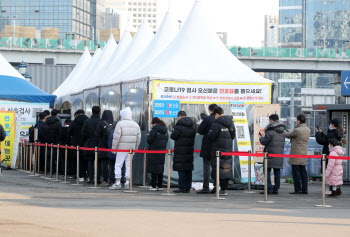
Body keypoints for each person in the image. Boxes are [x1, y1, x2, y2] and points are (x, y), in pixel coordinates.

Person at [110, 107, 141, 190]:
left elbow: (116, 138)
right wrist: (135, 149)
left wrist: (114, 149)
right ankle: (127, 182)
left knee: (118, 165)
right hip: (131, 149)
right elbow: (138, 138)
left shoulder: (120, 124)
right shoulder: (136, 124)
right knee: (128, 165)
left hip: (121, 148)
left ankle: (117, 182)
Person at [207, 107, 235, 196]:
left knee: (217, 168)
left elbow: (211, 136)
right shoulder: (230, 123)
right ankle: (224, 189)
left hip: (218, 149)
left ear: (216, 114)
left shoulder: (216, 124)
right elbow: (233, 136)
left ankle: (219, 188)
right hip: (228, 149)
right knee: (225, 168)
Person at [259, 114, 285, 195]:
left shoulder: (270, 131)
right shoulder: (283, 131)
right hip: (279, 154)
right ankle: (276, 189)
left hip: (269, 154)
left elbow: (264, 142)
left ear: (271, 120)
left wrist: (261, 138)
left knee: (267, 172)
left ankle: (268, 189)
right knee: (277, 171)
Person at [171, 111, 196, 193]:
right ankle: (188, 187)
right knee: (188, 169)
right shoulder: (192, 125)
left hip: (180, 150)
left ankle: (182, 187)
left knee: (181, 169)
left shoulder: (179, 125)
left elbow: (173, 136)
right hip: (189, 150)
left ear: (179, 116)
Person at [285, 114, 311, 195]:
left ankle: (298, 189)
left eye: (297, 120)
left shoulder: (297, 130)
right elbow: (296, 136)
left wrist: (284, 130)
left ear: (299, 121)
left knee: (296, 173)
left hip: (296, 154)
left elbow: (287, 135)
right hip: (303, 154)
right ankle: (305, 189)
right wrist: (291, 132)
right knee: (303, 172)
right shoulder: (308, 130)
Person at [197, 104, 218, 194]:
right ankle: (216, 187)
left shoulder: (207, 119)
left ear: (210, 110)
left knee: (207, 167)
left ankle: (206, 187)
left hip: (207, 145)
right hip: (217, 146)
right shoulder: (220, 120)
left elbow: (200, 131)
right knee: (216, 167)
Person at [146, 117, 168, 191]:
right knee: (160, 169)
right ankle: (160, 185)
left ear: (154, 123)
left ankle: (153, 186)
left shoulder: (154, 130)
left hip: (154, 151)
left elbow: (149, 140)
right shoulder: (165, 131)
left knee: (154, 169)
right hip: (162, 152)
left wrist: (148, 136)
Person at [81, 106, 101, 184]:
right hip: (99, 144)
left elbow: (83, 133)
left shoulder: (87, 121)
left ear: (92, 112)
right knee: (98, 162)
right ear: (100, 112)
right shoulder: (101, 121)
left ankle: (91, 178)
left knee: (90, 161)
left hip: (89, 144)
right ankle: (98, 178)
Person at [95, 110, 115, 186]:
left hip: (102, 147)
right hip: (112, 147)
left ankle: (103, 180)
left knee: (102, 164)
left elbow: (97, 134)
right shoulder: (115, 124)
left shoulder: (101, 124)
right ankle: (112, 180)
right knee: (112, 164)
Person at [69, 110, 88, 182]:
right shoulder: (88, 121)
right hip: (86, 143)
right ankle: (87, 174)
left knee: (77, 159)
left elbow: (69, 132)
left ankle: (79, 175)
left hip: (76, 144)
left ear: (76, 115)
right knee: (86, 159)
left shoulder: (73, 122)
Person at [44, 109, 62, 173]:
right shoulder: (58, 123)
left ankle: (49, 169)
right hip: (56, 142)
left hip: (47, 142)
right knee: (57, 157)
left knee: (48, 157)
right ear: (57, 115)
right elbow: (60, 133)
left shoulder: (46, 122)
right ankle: (58, 170)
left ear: (51, 114)